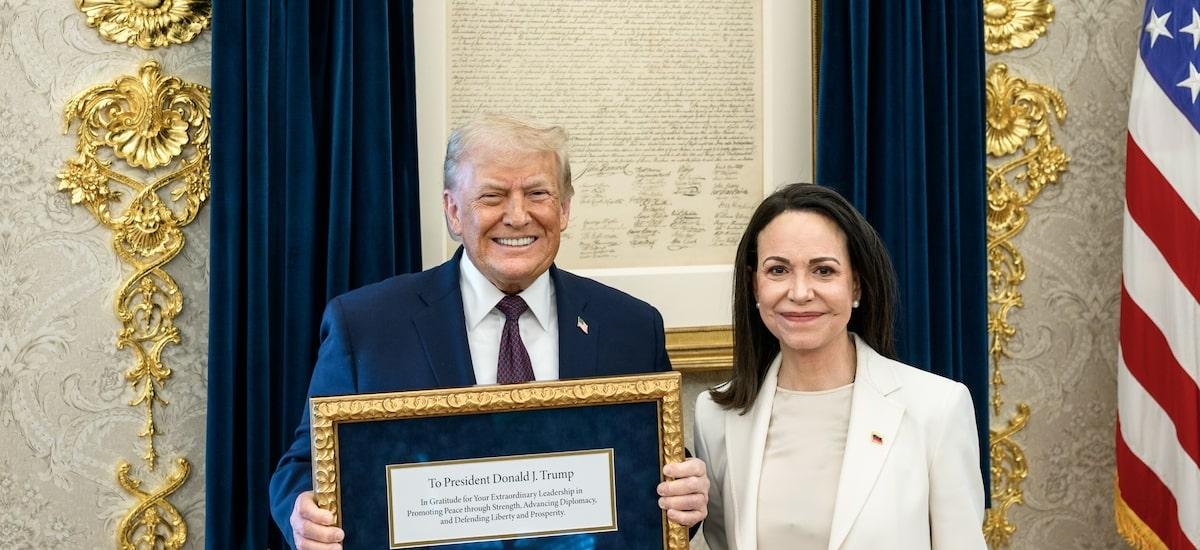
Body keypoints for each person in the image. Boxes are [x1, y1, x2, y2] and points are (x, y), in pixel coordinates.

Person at [269, 114, 709, 549]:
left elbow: (652, 473)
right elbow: (304, 466)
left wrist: (686, 494)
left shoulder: (630, 327)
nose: (517, 217)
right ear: (453, 211)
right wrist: (303, 517)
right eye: (493, 196)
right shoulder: (365, 326)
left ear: (565, 207)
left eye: (538, 193)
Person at [694, 184, 985, 550]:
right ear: (754, 286)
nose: (799, 293)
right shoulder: (716, 414)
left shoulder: (937, 409)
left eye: (824, 271)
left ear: (857, 286)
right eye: (778, 270)